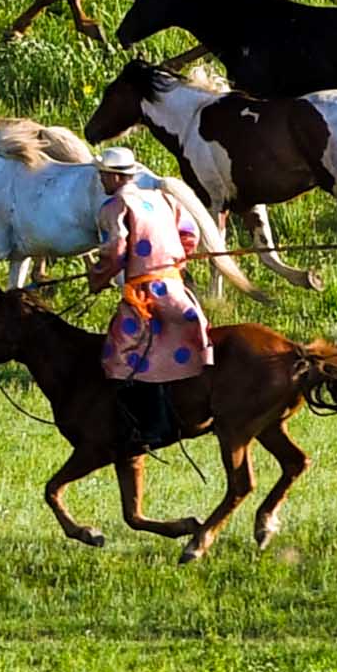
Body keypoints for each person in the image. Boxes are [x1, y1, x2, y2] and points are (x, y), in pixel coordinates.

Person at [86, 146, 218, 452]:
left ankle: (150, 429)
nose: (101, 181)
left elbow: (115, 252)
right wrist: (174, 263)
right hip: (177, 294)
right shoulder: (165, 200)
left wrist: (97, 278)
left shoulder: (114, 206)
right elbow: (190, 235)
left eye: (103, 175)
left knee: (122, 356)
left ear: (115, 177)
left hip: (144, 297)